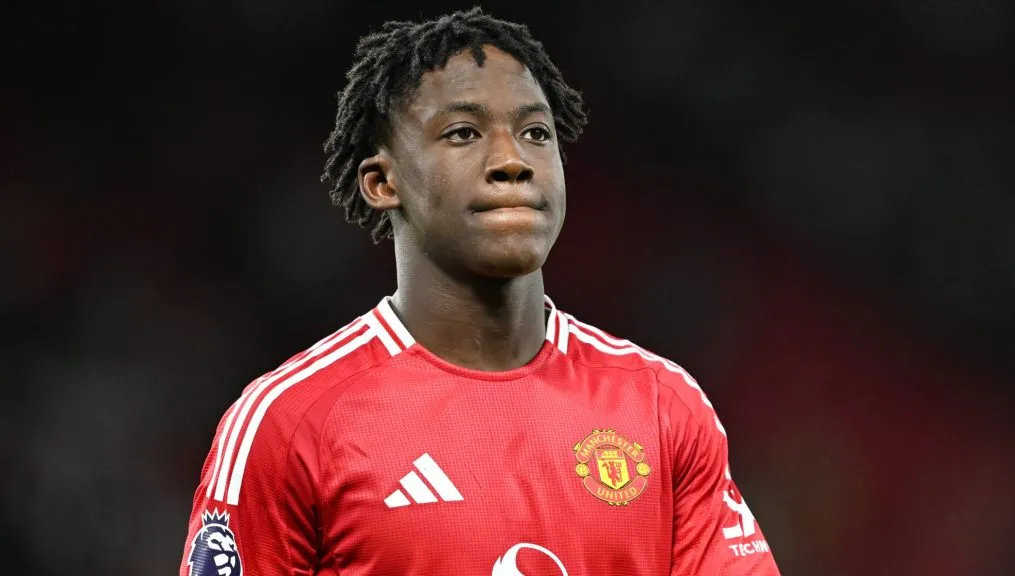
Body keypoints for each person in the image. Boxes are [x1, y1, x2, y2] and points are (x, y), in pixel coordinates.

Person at [180, 8, 780, 575]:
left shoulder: (660, 406)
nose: (512, 160)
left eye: (536, 133)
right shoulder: (288, 423)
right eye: (465, 133)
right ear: (382, 182)